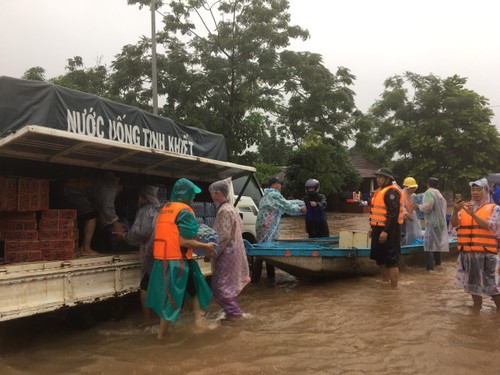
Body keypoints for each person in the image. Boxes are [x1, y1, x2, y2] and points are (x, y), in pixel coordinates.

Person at [146, 178, 215, 339]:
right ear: (184, 194)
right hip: (177, 263)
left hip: (163, 260)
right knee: (171, 300)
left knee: (192, 289)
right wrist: (206, 246)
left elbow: (173, 233)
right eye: (192, 194)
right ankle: (161, 335)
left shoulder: (166, 208)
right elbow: (183, 241)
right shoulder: (185, 211)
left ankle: (198, 322)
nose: (194, 197)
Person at [451, 178, 500, 310]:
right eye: (473, 189)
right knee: (473, 285)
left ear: (485, 191)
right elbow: (455, 225)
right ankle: (476, 310)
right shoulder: (465, 207)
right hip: (468, 253)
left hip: (487, 254)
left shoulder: (495, 209)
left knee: (492, 286)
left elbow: (491, 226)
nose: (475, 192)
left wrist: (473, 215)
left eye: (479, 189)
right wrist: (455, 211)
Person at [115, 185, 161, 319]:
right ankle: (161, 318)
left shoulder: (145, 211)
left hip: (150, 253)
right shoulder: (161, 210)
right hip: (162, 252)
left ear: (143, 197)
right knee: (159, 284)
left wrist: (123, 236)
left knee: (145, 286)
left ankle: (147, 319)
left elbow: (140, 233)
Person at [208, 178, 251, 320]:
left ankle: (235, 314)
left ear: (219, 194)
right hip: (232, 252)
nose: (212, 196)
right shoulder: (230, 208)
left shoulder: (224, 210)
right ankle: (231, 313)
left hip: (227, 253)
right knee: (225, 286)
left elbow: (223, 236)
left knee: (221, 287)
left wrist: (212, 252)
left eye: (213, 193)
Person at [254, 176, 307, 279]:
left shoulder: (266, 195)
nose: (281, 186)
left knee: (265, 250)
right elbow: (287, 206)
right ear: (275, 184)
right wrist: (300, 209)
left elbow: (284, 205)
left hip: (262, 226)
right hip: (268, 226)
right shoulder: (274, 195)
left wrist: (298, 203)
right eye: (280, 183)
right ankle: (260, 279)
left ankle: (265, 280)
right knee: (262, 253)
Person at [369, 168, 403, 288]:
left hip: (390, 230)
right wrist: (372, 226)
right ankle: (385, 282)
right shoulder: (380, 191)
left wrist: (386, 231)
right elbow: (375, 211)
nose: (377, 179)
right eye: (377, 177)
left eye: (380, 177)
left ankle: (394, 288)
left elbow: (393, 214)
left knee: (391, 260)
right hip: (378, 228)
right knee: (380, 258)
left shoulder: (391, 192)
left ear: (387, 179)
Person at [63, 175, 99, 257]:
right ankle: (86, 248)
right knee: (91, 215)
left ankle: (82, 247)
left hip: (70, 189)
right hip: (72, 190)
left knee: (86, 215)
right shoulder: (77, 187)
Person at [417, 177, 449, 271]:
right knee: (437, 244)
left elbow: (429, 207)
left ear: (428, 184)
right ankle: (438, 265)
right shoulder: (439, 194)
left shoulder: (429, 192)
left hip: (432, 222)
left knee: (428, 245)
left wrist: (418, 206)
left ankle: (430, 269)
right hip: (441, 222)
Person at [401, 177, 422, 245]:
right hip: (402, 220)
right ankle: (402, 247)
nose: (413, 190)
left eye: (414, 188)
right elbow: (401, 208)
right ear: (407, 187)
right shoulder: (401, 195)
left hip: (411, 219)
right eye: (412, 188)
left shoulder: (413, 195)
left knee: (413, 234)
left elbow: (418, 206)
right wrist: (406, 214)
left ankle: (411, 245)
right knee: (403, 235)